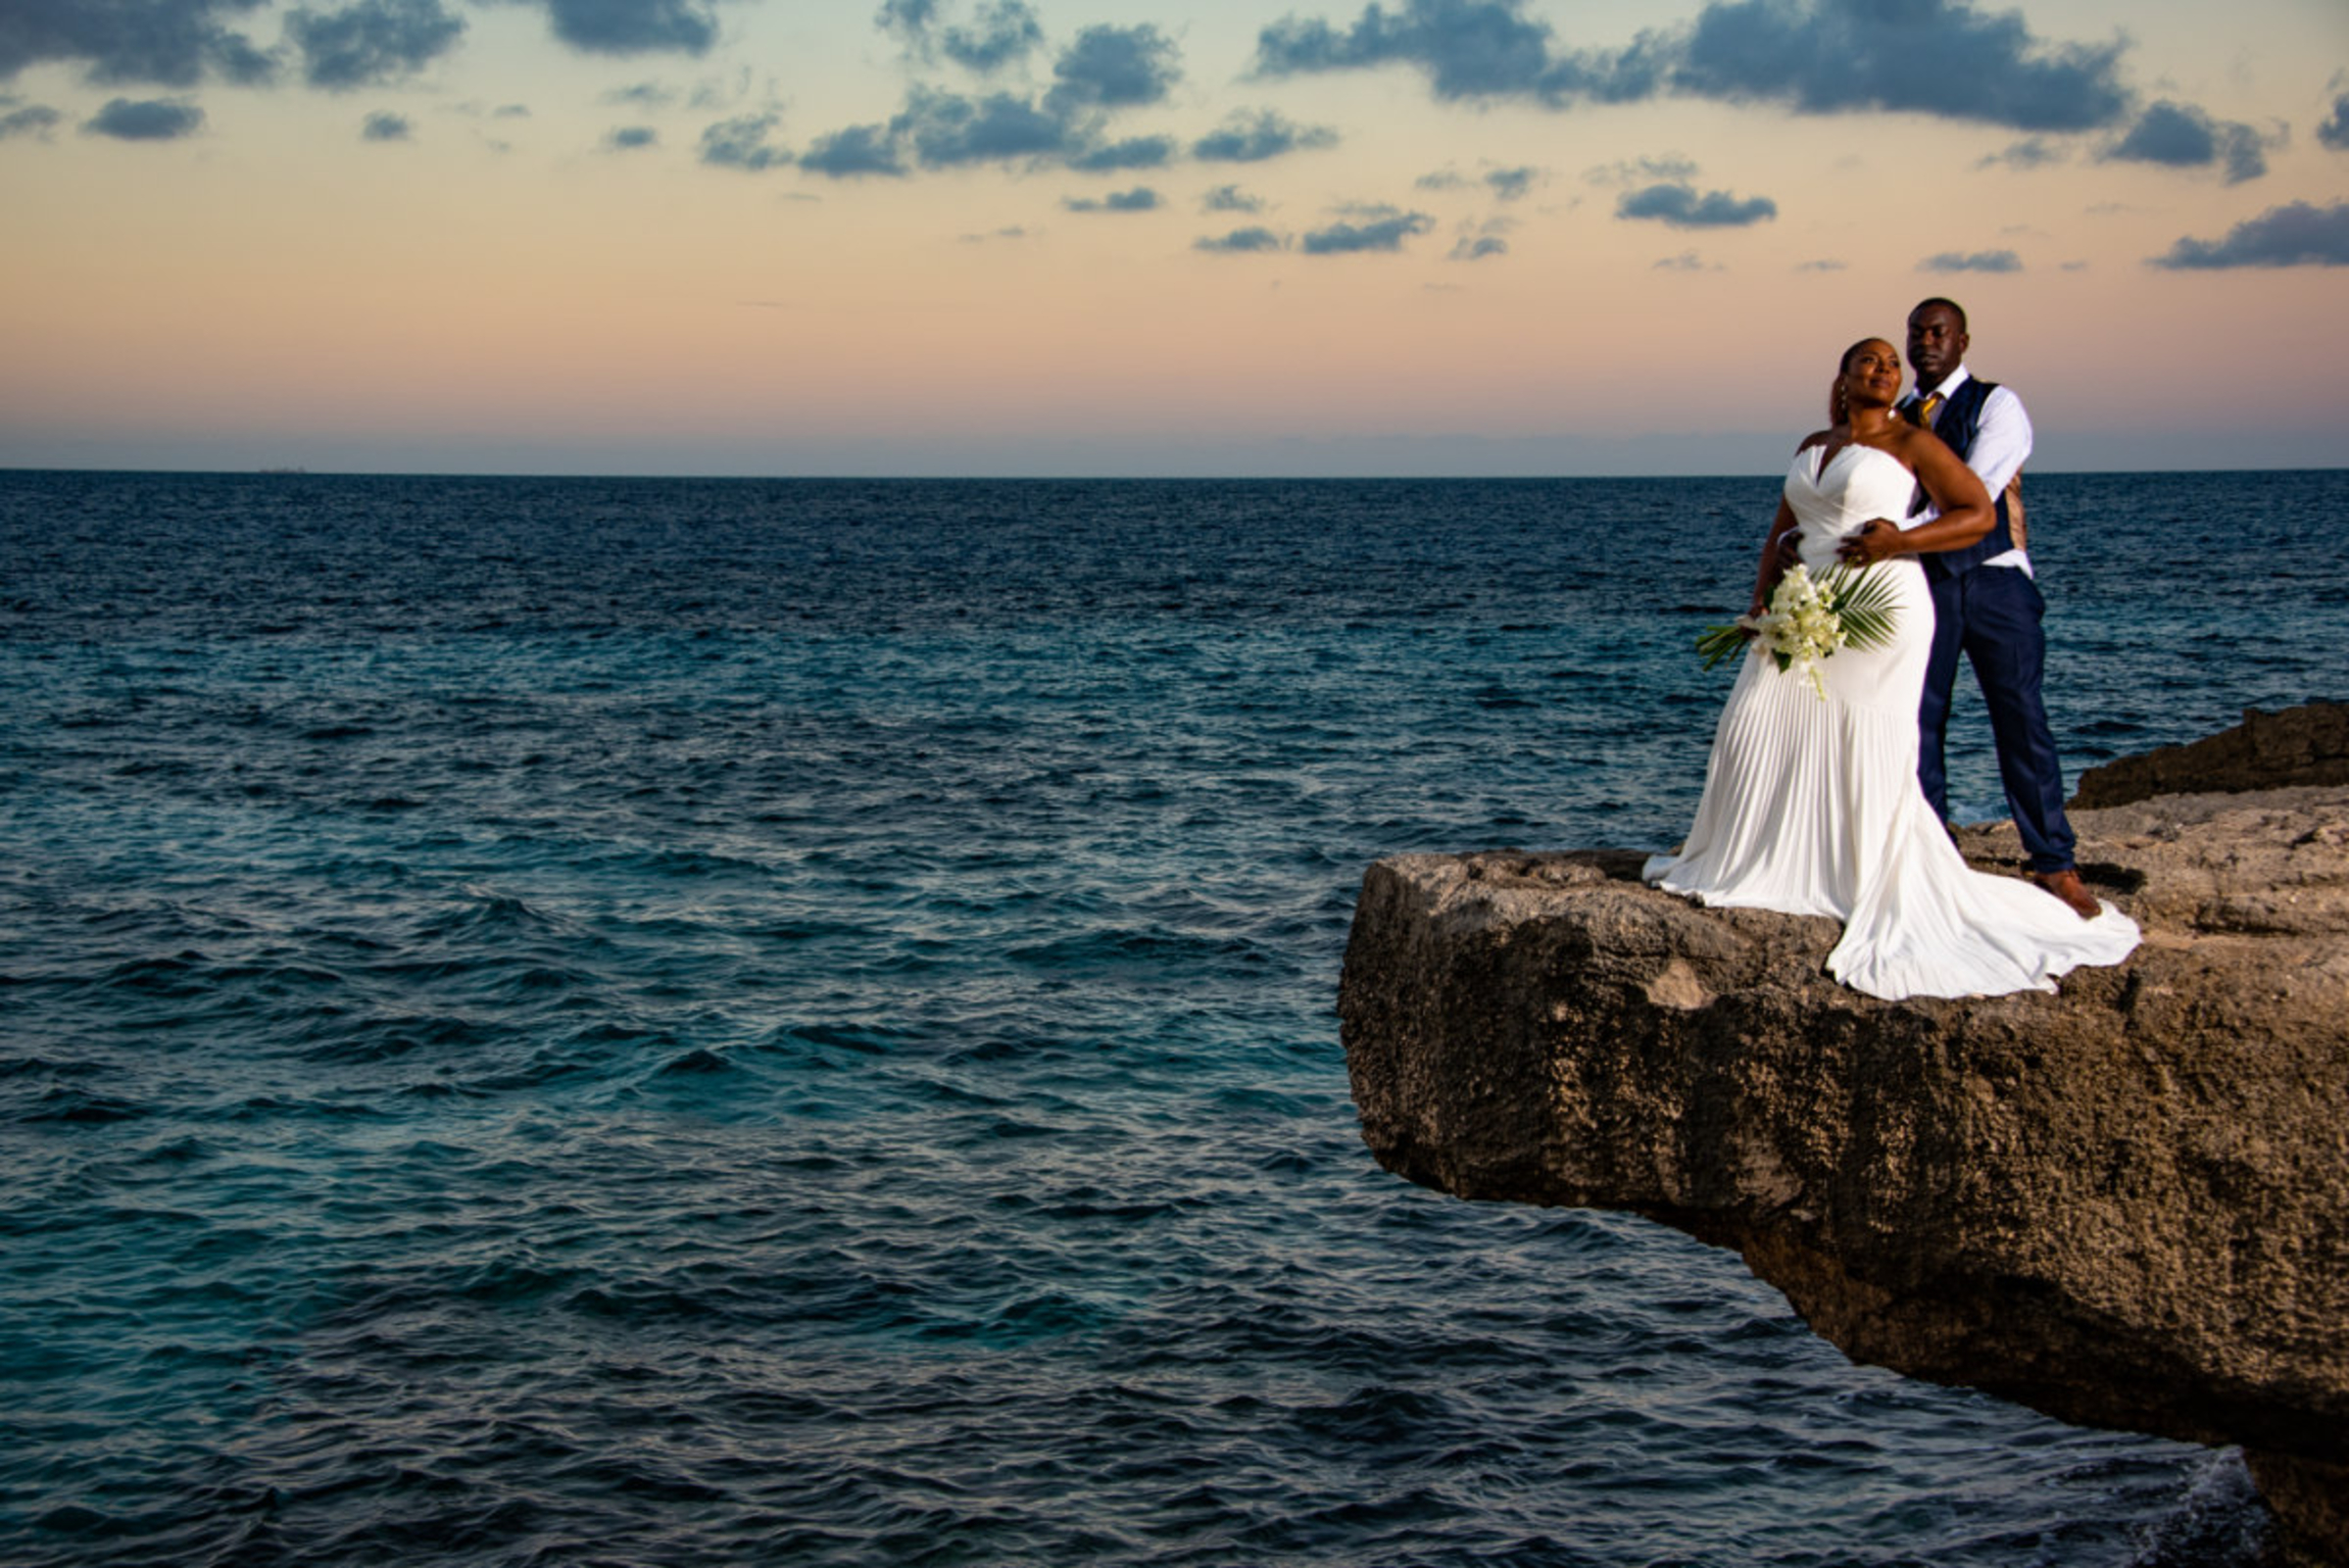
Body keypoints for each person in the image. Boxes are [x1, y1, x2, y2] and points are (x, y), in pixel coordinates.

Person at [1644, 337, 2138, 1002]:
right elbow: (1782, 529)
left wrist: (1899, 541)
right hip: (1804, 604)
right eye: (1867, 361)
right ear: (1842, 377)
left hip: (1882, 605)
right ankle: (1766, 857)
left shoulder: (1912, 442)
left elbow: (1977, 513)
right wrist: (1760, 599)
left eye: (1890, 363)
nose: (1882, 369)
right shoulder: (1811, 442)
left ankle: (1864, 868)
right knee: (1754, 723)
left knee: (1865, 734)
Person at [1847, 297, 2096, 919]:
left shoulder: (1997, 405)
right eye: (1917, 333)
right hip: (1919, 584)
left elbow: (1976, 495)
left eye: (1939, 332)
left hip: (1993, 581)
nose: (1926, 342)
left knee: (2021, 718)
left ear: (1962, 341)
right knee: (1916, 721)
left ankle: (2053, 862)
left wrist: (1897, 533)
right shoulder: (1892, 419)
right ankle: (1930, 853)